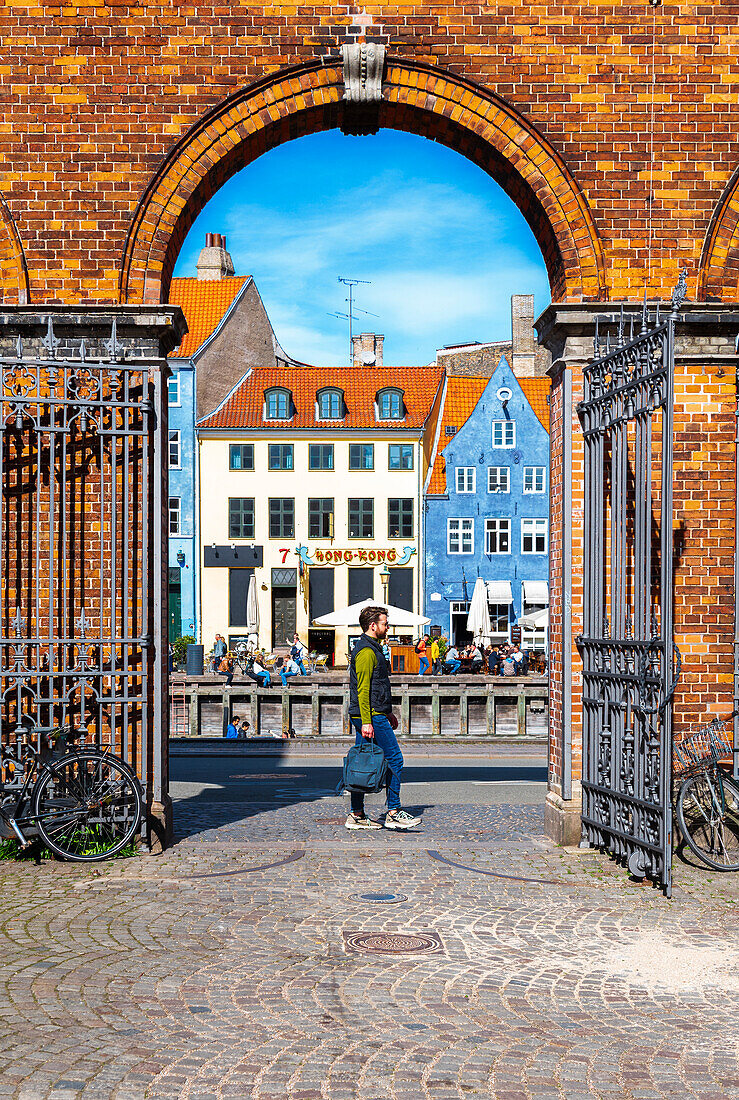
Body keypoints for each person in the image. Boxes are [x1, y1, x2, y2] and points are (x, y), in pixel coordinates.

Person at [346, 605, 421, 831]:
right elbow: (363, 689)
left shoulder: (372, 648)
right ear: (373, 625)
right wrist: (368, 720)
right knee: (395, 759)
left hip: (374, 714)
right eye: (385, 623)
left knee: (362, 764)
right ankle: (394, 812)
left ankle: (357, 815)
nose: (387, 627)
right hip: (370, 716)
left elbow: (377, 686)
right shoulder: (367, 652)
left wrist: (388, 711)